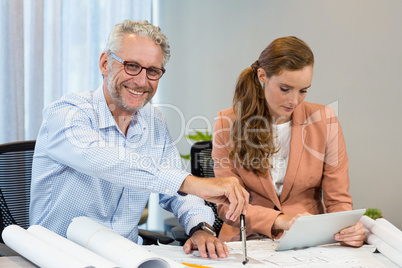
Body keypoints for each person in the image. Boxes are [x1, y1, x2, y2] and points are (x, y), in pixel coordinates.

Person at [30, 20, 249, 259]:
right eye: (132, 66)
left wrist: (201, 228)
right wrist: (190, 182)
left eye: (152, 71)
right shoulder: (67, 113)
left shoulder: (153, 120)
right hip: (61, 257)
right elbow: (108, 161)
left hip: (127, 257)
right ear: (105, 63)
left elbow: (176, 191)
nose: (142, 81)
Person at [212, 36, 365, 247]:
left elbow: (338, 200)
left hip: (307, 243)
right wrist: (279, 221)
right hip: (245, 240)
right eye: (285, 89)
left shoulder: (325, 120)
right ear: (262, 76)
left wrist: (347, 228)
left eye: (303, 91)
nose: (294, 101)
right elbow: (228, 204)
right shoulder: (226, 123)